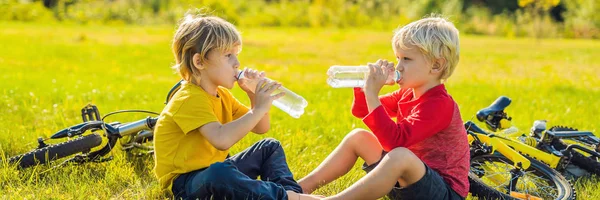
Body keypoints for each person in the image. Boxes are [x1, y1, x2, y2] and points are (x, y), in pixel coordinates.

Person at [298, 16, 469, 200]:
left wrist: (372, 94)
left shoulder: (440, 104)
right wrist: (365, 86)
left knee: (400, 155)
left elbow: (394, 142)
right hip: (406, 185)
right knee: (359, 138)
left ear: (436, 65)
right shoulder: (407, 94)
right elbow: (362, 111)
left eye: (406, 59)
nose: (398, 67)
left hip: (443, 193)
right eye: (398, 58)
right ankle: (297, 187)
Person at [153, 14, 320, 200]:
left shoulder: (222, 95)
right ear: (199, 62)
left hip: (216, 173)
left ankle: (291, 194)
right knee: (220, 172)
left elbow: (261, 128)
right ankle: (286, 198)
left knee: (269, 147)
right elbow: (221, 139)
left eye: (236, 55)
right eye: (228, 55)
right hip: (186, 186)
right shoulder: (188, 98)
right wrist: (257, 110)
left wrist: (253, 96)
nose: (237, 63)